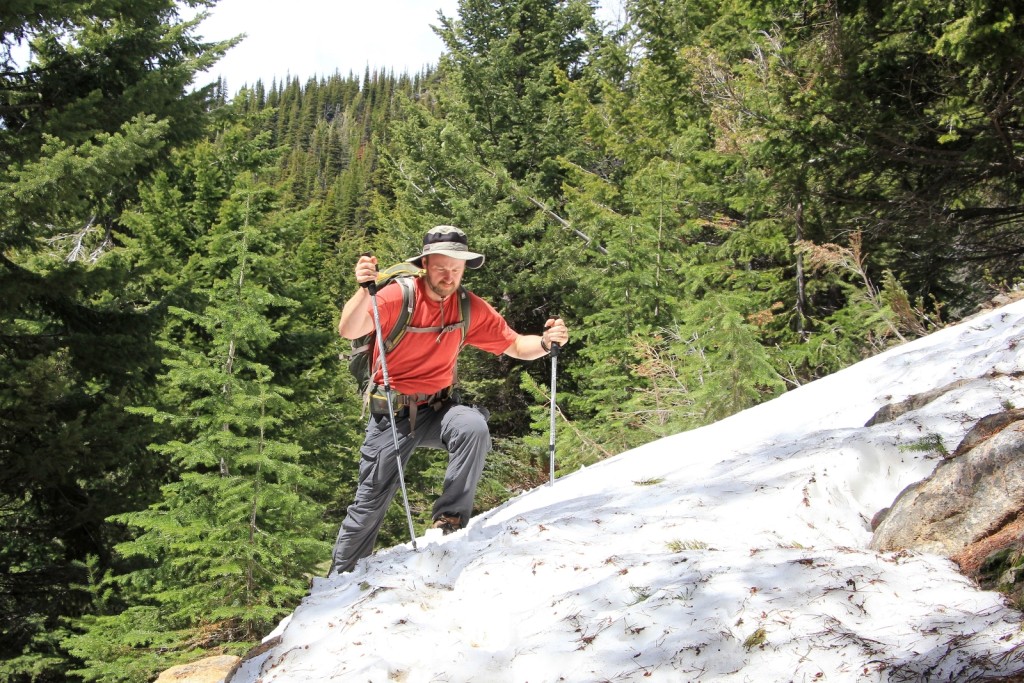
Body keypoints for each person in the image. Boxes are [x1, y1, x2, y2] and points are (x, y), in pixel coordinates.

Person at [329, 225, 569, 576]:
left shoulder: (468, 306)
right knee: (370, 502)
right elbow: (349, 329)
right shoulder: (399, 296)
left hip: (438, 409)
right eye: (442, 267)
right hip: (391, 415)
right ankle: (341, 577)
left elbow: (515, 345)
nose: (449, 275)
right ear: (425, 264)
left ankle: (450, 520)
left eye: (457, 268)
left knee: (473, 426)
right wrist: (363, 291)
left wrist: (546, 343)